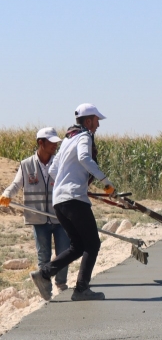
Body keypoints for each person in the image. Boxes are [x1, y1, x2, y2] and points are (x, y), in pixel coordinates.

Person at [29, 104, 116, 301]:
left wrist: (70, 182)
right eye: (96, 121)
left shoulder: (69, 140)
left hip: (60, 202)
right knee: (92, 244)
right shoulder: (84, 137)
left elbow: (52, 171)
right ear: (88, 121)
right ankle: (81, 289)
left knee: (78, 246)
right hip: (75, 199)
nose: (97, 126)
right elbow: (85, 157)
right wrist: (105, 182)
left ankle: (43, 274)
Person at [0, 128, 71, 293]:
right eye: (51, 142)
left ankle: (62, 285)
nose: (55, 145)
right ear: (41, 142)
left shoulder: (59, 163)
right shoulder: (26, 165)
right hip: (38, 218)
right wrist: (6, 194)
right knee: (43, 255)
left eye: (56, 142)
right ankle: (45, 287)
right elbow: (16, 184)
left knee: (64, 253)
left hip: (59, 216)